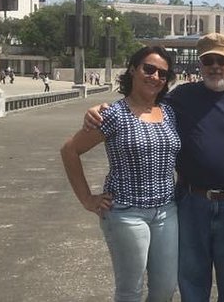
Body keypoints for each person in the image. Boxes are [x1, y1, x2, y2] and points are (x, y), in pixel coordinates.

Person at [85, 33, 224, 302]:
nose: (215, 66)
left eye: (221, 60)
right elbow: (143, 105)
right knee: (191, 281)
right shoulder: (181, 97)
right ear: (200, 65)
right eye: (208, 61)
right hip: (191, 202)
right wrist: (101, 108)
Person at [61, 46, 180, 301]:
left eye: (163, 74)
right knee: (130, 290)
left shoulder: (169, 112)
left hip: (166, 211)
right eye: (149, 69)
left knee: (165, 288)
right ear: (133, 70)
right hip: (127, 212)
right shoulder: (114, 114)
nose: (155, 77)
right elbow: (70, 150)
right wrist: (87, 199)